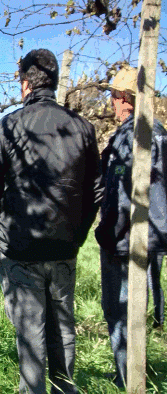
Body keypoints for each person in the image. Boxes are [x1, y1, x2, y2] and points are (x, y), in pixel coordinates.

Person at [0, 48, 103, 394]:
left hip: (21, 249)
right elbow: (96, 191)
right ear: (56, 81)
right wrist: (76, 235)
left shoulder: (8, 127)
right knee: (62, 331)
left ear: (23, 84)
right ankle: (64, 388)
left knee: (31, 339)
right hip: (64, 247)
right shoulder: (83, 128)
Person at [94, 65, 167, 388]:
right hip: (154, 234)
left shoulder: (128, 137)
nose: (110, 102)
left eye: (112, 95)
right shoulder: (160, 131)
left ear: (124, 99)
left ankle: (127, 377)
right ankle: (132, 371)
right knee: (138, 308)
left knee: (118, 309)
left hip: (124, 240)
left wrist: (105, 233)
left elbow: (120, 196)